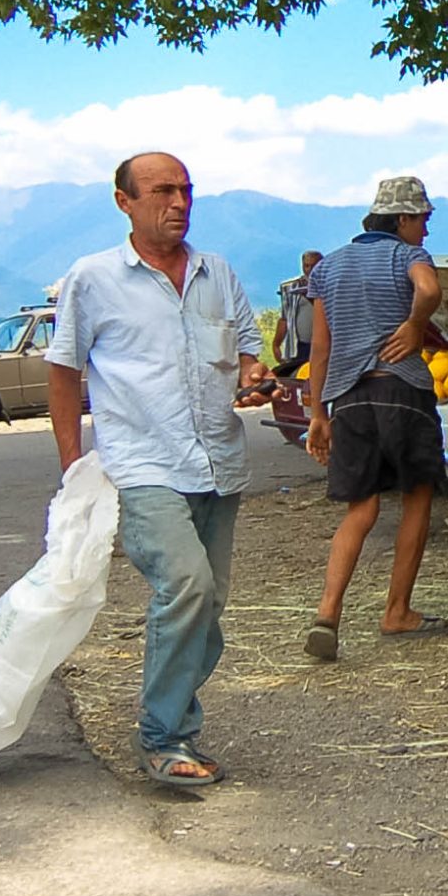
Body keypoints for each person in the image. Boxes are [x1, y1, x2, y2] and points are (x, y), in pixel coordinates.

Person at [45, 152, 271, 787]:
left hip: (218, 462)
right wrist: (73, 466)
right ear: (124, 202)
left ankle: (176, 722)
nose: (178, 203)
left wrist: (254, 375)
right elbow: (63, 370)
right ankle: (163, 736)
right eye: (162, 191)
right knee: (187, 586)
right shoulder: (93, 278)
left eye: (186, 191)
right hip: (143, 464)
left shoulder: (216, 273)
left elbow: (247, 353)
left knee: (208, 603)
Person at [302, 177, 447, 660]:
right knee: (417, 497)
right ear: (402, 219)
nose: (425, 230)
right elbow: (429, 289)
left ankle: (327, 613)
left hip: (348, 397)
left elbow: (320, 348)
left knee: (360, 509)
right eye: (422, 219)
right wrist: (414, 324)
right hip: (401, 388)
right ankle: (397, 611)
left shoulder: (328, 267)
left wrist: (317, 413)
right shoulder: (408, 256)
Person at [275, 249, 322, 369]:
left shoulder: (329, 286)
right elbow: (285, 317)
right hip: (300, 345)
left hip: (322, 344)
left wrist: (310, 297)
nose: (310, 270)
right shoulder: (291, 287)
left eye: (314, 266)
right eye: (307, 266)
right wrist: (276, 345)